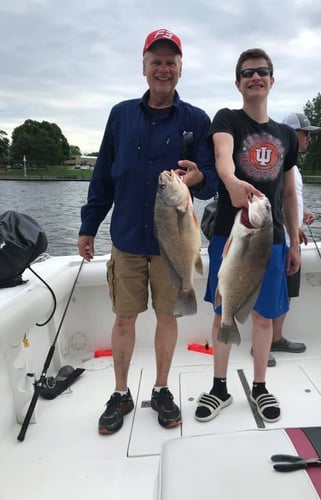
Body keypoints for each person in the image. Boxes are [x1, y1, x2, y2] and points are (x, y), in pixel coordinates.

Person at [78, 28, 218, 435]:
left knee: (167, 318)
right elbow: (103, 174)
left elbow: (208, 184)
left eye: (171, 62)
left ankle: (160, 389)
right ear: (143, 66)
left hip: (173, 244)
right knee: (124, 319)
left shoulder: (196, 120)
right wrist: (89, 226)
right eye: (155, 60)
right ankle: (120, 393)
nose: (163, 68)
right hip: (127, 240)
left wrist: (196, 179)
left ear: (180, 69)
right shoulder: (120, 115)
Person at [195, 48, 300, 424]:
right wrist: (231, 181)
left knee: (263, 318)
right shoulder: (227, 119)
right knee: (223, 312)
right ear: (238, 83)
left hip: (271, 240)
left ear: (272, 80)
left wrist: (292, 240)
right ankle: (219, 388)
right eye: (247, 73)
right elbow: (223, 156)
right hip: (230, 235)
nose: (255, 77)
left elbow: (287, 193)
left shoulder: (287, 135)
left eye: (262, 72)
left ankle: (259, 387)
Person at [268, 113, 320, 363]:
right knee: (272, 292)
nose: (309, 137)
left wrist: (301, 217)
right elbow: (272, 202)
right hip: (279, 242)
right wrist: (291, 228)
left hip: (292, 243)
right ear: (290, 134)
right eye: (305, 133)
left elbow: (290, 200)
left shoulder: (293, 167)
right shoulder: (278, 164)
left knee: (286, 292)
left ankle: (276, 339)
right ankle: (262, 344)